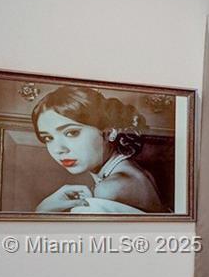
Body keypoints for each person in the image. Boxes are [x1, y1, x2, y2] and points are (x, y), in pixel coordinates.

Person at [30, 85, 166, 214]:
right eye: (48, 138)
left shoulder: (109, 189)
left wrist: (42, 211)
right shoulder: (129, 170)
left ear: (109, 133)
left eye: (71, 132)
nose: (58, 149)